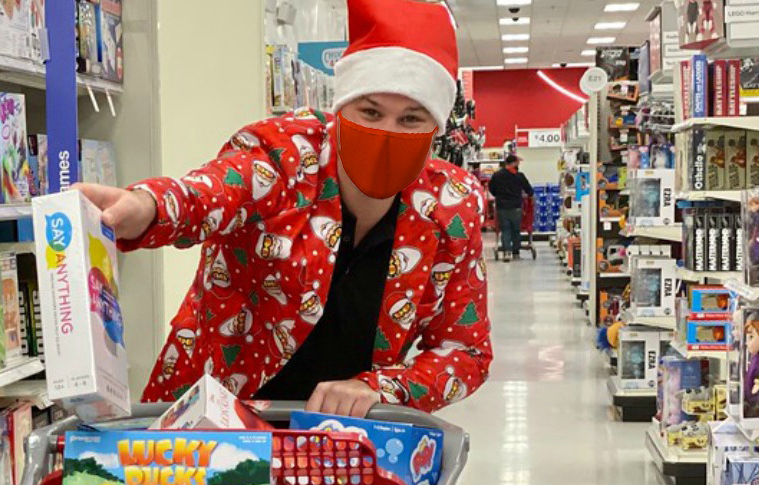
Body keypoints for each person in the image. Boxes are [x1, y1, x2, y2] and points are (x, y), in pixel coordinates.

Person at [75, 0, 492, 416]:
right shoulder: (286, 153)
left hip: (346, 442)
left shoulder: (453, 206)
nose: (386, 132)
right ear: (341, 109)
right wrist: (147, 205)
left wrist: (382, 387)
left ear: (435, 128)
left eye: (411, 119)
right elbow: (213, 192)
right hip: (213, 424)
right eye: (370, 111)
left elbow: (466, 351)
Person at [488, 154, 533, 261]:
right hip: (516, 207)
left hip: (501, 207)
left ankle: (506, 252)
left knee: (505, 229)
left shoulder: (497, 175)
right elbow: (529, 190)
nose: (518, 164)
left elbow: (491, 189)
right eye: (517, 162)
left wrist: (499, 195)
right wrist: (529, 195)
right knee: (516, 230)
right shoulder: (519, 176)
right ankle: (516, 253)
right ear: (513, 163)